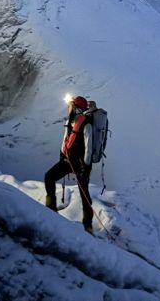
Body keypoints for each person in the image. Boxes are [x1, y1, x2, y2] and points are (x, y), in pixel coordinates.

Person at [44, 94, 95, 233]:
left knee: (83, 193)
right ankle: (50, 210)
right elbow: (65, 141)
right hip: (68, 161)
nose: (69, 108)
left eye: (71, 106)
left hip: (81, 165)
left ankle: (88, 225)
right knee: (49, 177)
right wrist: (62, 157)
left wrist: (85, 167)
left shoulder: (86, 124)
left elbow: (88, 148)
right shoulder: (71, 122)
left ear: (77, 108)